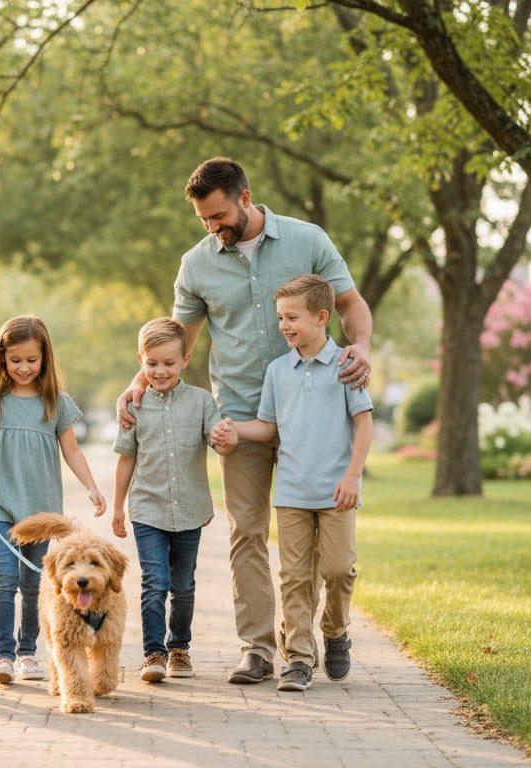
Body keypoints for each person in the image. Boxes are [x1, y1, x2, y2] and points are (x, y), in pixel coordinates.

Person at [117, 157, 373, 684]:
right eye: (203, 220)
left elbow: (350, 304)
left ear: (245, 198)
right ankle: (258, 648)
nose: (212, 227)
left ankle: (322, 633)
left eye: (218, 216)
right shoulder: (196, 264)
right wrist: (139, 381)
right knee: (248, 533)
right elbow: (177, 341)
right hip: (240, 416)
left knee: (322, 549)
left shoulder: (308, 240)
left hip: (312, 415)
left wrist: (363, 346)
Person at [221, 274, 373, 692]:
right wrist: (234, 429)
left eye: (292, 317)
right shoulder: (278, 371)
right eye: (280, 318)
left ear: (322, 317)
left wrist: (353, 476)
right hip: (291, 493)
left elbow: (363, 424)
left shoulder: (346, 364)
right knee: (294, 577)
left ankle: (335, 630)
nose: (283, 326)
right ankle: (299, 659)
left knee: (338, 570)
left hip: (337, 493)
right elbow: (268, 427)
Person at [0, 315, 107, 684]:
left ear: (44, 358)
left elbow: (72, 451)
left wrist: (91, 486)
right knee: (4, 577)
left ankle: (27, 652)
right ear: (1, 358)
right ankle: (3, 655)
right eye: (15, 360)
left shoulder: (56, 402)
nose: (23, 368)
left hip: (40, 511)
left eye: (31, 360)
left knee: (33, 583)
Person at [110, 317, 235, 683]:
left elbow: (217, 441)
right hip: (147, 509)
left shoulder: (201, 402)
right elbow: (126, 458)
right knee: (155, 582)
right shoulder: (134, 407)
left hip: (190, 509)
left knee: (183, 585)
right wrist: (117, 507)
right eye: (152, 363)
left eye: (169, 362)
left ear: (185, 360)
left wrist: (223, 435)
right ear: (140, 361)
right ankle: (154, 653)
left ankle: (179, 648)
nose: (160, 371)